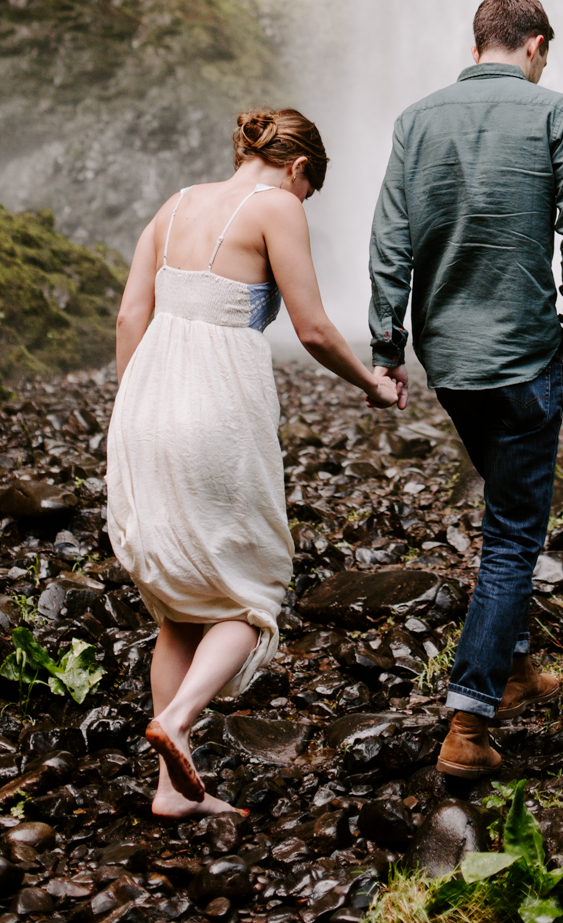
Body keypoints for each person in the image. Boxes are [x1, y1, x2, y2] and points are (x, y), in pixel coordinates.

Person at [107, 107, 402, 818]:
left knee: (178, 605)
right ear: (298, 169)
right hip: (215, 407)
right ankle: (176, 722)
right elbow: (311, 326)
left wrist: (131, 413)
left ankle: (170, 792)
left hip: (143, 405)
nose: (302, 203)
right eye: (308, 190)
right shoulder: (275, 206)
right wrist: (373, 384)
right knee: (253, 587)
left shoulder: (175, 204)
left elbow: (127, 319)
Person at [368, 0, 563, 778]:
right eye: (545, 54)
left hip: (451, 364)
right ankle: (468, 721)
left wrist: (386, 345)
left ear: (478, 46)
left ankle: (512, 668)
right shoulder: (556, 113)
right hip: (527, 358)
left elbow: (390, 240)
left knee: (503, 501)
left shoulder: (414, 121)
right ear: (534, 46)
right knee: (511, 536)